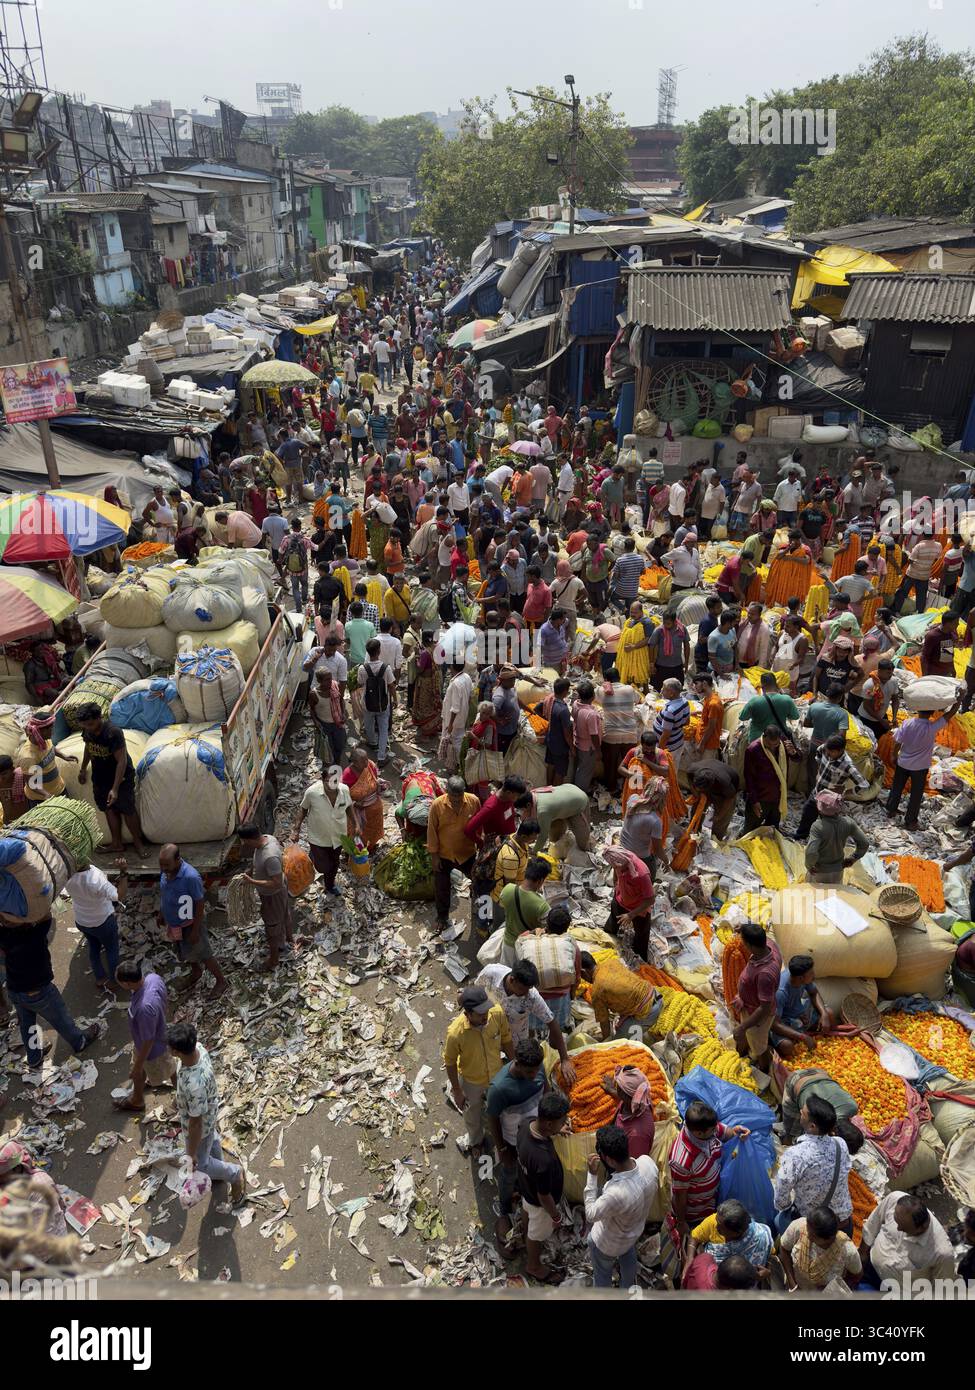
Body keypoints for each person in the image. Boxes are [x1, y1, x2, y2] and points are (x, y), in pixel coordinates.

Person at [0, 916, 99, 1069]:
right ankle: (79, 1041)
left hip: (15, 991)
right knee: (60, 1018)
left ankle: (33, 1056)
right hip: (38, 992)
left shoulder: (4, 935)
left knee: (27, 1025)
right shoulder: (35, 933)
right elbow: (46, 914)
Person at [168, 1021, 244, 1202]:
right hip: (209, 1113)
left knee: (200, 1165)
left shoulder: (194, 1086)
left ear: (177, 1052)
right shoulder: (199, 1049)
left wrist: (191, 1153)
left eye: (171, 1048)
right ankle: (218, 1169)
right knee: (213, 1140)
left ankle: (234, 1174)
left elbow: (196, 1123)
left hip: (199, 1125)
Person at [485, 1036, 546, 1251]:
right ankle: (503, 1209)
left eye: (537, 1070)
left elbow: (545, 1092)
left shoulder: (539, 1068)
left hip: (535, 1134)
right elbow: (492, 1118)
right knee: (509, 1172)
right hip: (512, 1141)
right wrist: (502, 1148)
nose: (534, 1076)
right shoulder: (499, 1089)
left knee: (527, 1173)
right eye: (529, 1073)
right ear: (516, 1064)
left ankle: (522, 1192)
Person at [475, 959, 575, 1082]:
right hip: (487, 1033)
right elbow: (476, 992)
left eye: (529, 989)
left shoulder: (531, 997)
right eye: (523, 989)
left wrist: (565, 1059)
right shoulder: (491, 974)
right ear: (512, 980)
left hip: (515, 1041)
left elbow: (552, 1023)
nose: (526, 993)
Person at [585, 1123, 658, 1289]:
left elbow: (591, 1214)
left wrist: (592, 1175)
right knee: (628, 1257)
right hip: (633, 1233)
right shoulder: (647, 1163)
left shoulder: (616, 1193)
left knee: (602, 1275)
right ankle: (627, 1288)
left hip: (607, 1244)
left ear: (609, 1160)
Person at [443, 984, 513, 1154]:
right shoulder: (455, 1033)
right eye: (480, 1014)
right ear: (467, 1014)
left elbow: (506, 1040)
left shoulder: (496, 1014)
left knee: (501, 1109)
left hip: (497, 1076)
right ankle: (476, 1141)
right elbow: (450, 1062)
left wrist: (513, 1064)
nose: (486, 1017)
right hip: (471, 1081)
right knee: (472, 1115)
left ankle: (504, 1138)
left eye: (486, 1011)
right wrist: (457, 1091)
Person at [773, 1094, 853, 1236]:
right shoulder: (840, 1144)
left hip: (815, 1229)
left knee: (779, 1221)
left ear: (812, 1126)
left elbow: (781, 1195)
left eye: (802, 1113)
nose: (800, 1113)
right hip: (843, 1223)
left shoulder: (795, 1154)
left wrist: (785, 1207)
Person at [669, 1100, 750, 1235]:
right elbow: (680, 1195)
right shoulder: (681, 1160)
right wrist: (681, 1222)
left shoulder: (708, 1129)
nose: (716, 1130)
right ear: (699, 1133)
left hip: (712, 1200)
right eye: (712, 1130)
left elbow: (725, 1132)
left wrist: (736, 1132)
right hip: (695, 1210)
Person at [158, 843, 228, 997]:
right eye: (161, 864)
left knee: (204, 953)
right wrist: (162, 912)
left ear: (178, 860)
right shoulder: (165, 872)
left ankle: (221, 981)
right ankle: (196, 972)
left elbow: (199, 903)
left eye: (167, 865)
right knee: (184, 950)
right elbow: (164, 893)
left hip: (190, 923)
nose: (163, 868)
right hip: (175, 923)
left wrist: (195, 930)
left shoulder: (190, 877)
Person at [76, 702, 147, 855]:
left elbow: (122, 761)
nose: (88, 727)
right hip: (100, 777)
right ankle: (116, 843)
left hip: (120, 778)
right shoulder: (87, 731)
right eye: (85, 725)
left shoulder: (113, 732)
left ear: (99, 718)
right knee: (108, 808)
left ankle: (138, 842)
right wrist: (82, 769)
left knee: (127, 809)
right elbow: (88, 748)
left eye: (90, 724)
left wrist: (115, 789)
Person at [517, 1091, 571, 1283]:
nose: (564, 1124)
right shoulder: (543, 1159)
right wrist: (555, 1215)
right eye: (561, 1121)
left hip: (525, 1187)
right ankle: (534, 1266)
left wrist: (557, 1131)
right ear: (549, 1123)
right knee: (536, 1234)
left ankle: (524, 1233)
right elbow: (544, 1195)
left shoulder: (527, 1124)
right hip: (541, 1204)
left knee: (526, 1210)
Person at [886, 696, 961, 830]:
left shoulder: (907, 723)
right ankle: (910, 821)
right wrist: (959, 699)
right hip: (920, 767)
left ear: (918, 710)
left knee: (897, 787)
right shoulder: (932, 727)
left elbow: (898, 741)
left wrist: (894, 755)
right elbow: (949, 714)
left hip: (903, 762)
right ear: (932, 713)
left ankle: (891, 810)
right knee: (916, 794)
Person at [861, 1192, 956, 1292]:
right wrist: (862, 1255)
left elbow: (941, 1290)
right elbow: (872, 1225)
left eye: (904, 1228)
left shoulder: (942, 1254)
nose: (898, 1228)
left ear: (921, 1228)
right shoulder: (894, 1199)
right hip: (870, 1269)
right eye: (896, 1221)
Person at [113, 961, 175, 1111]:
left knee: (170, 1069)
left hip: (153, 1050)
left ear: (127, 984)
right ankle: (137, 1099)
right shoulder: (153, 978)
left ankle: (184, 1096)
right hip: (154, 1037)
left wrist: (138, 1065)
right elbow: (165, 1000)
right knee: (144, 1070)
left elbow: (149, 1040)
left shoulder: (144, 1008)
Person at [427, 776, 481, 931]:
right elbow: (431, 831)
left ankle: (481, 914)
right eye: (453, 795)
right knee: (442, 887)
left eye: (459, 795)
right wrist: (434, 856)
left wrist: (481, 844)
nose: (456, 799)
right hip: (445, 854)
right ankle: (442, 917)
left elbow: (479, 825)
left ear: (464, 791)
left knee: (478, 880)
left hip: (467, 852)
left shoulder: (473, 801)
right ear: (446, 791)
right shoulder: (437, 805)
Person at [65, 856, 123, 996]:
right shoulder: (95, 877)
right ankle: (114, 981)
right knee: (112, 949)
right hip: (102, 921)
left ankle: (99, 978)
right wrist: (124, 873)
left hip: (82, 921)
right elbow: (118, 896)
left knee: (94, 947)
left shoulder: (67, 874)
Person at [238, 822, 292, 972]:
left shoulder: (270, 856)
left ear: (248, 840)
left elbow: (276, 883)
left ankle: (274, 959)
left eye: (243, 841)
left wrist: (252, 881)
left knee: (272, 927)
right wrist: (250, 872)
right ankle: (289, 939)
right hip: (276, 891)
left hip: (273, 895)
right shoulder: (268, 838)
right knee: (284, 914)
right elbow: (257, 864)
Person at [682, 1199, 774, 1286]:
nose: (716, 1227)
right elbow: (694, 1237)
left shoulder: (761, 1237)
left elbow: (769, 1256)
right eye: (717, 1222)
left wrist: (768, 1272)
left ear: (737, 1232)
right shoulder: (714, 1221)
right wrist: (689, 1259)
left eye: (721, 1228)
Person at [292, 773, 354, 895]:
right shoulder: (312, 793)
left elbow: (349, 807)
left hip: (338, 836)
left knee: (334, 863)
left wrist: (355, 823)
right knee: (322, 867)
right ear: (322, 780)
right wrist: (296, 829)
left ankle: (330, 886)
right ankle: (315, 857)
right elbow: (303, 809)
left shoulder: (344, 790)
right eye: (328, 781)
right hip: (318, 837)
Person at [732, 920, 781, 1068]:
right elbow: (758, 931)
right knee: (750, 1038)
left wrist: (743, 1027)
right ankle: (743, 1052)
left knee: (759, 1047)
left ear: (751, 946)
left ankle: (764, 1069)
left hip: (757, 1017)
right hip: (749, 1008)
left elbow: (764, 1008)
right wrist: (745, 928)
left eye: (744, 943)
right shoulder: (770, 946)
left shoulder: (765, 974)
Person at [779, 1207, 863, 1292]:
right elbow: (784, 1249)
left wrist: (834, 1289)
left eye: (814, 1236)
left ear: (830, 1238)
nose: (808, 1237)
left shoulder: (846, 1251)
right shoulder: (800, 1226)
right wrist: (793, 1285)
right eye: (808, 1230)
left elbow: (857, 1275)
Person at [772, 953, 834, 1058]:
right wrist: (803, 1037)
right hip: (784, 1022)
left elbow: (814, 993)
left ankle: (805, 1032)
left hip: (800, 1016)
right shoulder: (780, 992)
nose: (814, 975)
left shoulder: (802, 978)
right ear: (801, 978)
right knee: (787, 1046)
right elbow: (775, 1025)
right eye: (811, 973)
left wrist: (823, 1014)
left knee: (829, 1014)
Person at [803, 790, 870, 883]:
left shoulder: (817, 826)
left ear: (820, 808)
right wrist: (853, 858)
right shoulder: (848, 822)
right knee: (835, 895)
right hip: (838, 870)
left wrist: (809, 865)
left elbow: (811, 853)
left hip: (819, 872)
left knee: (816, 896)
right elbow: (864, 843)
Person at [742, 725, 790, 831]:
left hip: (777, 795)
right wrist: (754, 801)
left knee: (772, 829)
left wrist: (793, 751)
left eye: (775, 744)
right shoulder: (753, 749)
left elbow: (797, 757)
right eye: (769, 744)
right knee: (750, 829)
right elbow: (749, 777)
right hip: (761, 797)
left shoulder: (783, 744)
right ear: (764, 737)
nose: (773, 747)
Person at [360, 637, 396, 765]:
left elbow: (360, 683)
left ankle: (373, 743)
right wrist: (395, 700)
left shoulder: (362, 668)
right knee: (383, 728)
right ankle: (381, 756)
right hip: (383, 704)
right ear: (379, 651)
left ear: (368, 652)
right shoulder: (386, 668)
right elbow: (391, 686)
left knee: (369, 725)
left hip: (367, 704)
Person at [738, 673, 799, 744]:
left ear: (762, 685)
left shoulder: (754, 701)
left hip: (758, 741)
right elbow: (795, 716)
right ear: (776, 684)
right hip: (779, 739)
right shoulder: (787, 699)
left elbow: (742, 717)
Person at [440, 663, 473, 773]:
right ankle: (457, 764)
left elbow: (455, 708)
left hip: (454, 719)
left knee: (455, 743)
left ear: (452, 667)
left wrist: (450, 724)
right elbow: (470, 697)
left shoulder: (456, 683)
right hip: (462, 717)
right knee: (457, 741)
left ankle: (461, 765)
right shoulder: (466, 677)